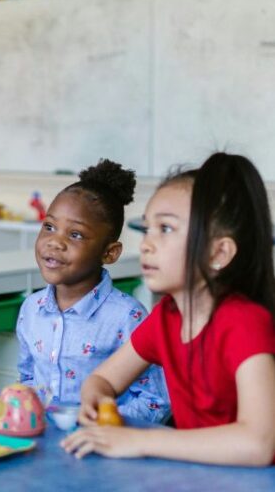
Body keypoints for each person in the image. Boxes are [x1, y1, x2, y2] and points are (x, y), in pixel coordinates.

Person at [62, 153, 275, 466]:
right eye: (147, 229)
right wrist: (95, 398)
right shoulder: (166, 318)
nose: (146, 244)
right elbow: (103, 380)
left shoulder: (245, 323)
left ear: (219, 252)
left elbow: (258, 444)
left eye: (166, 229)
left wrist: (141, 441)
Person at [17, 159, 169, 423]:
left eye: (75, 235)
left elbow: (156, 402)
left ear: (109, 253)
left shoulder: (127, 317)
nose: (55, 242)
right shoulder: (31, 308)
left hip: (102, 448)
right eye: (49, 227)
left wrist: (97, 424)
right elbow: (28, 378)